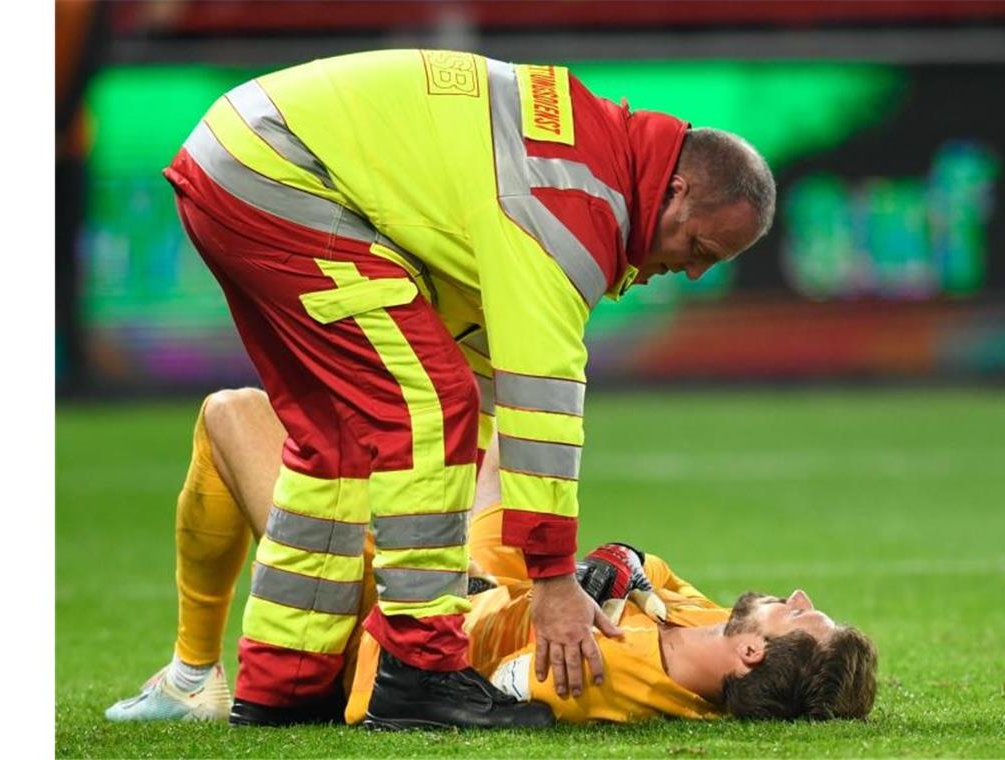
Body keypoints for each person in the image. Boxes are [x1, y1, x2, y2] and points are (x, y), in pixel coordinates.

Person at [165, 48, 776, 728]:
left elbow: (480, 344)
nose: (692, 273)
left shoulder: (587, 159)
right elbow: (539, 402)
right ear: (677, 191)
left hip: (250, 154)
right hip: (278, 172)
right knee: (430, 405)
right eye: (698, 249)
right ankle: (419, 674)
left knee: (333, 434)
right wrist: (549, 581)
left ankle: (285, 684)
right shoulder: (574, 209)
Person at [105, 389, 876, 725]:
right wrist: (611, 569)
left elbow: (471, 672)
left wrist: (588, 587)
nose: (800, 595)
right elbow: (637, 561)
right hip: (492, 580)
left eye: (800, 617)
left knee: (231, 415)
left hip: (402, 612)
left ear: (751, 654)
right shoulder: (710, 631)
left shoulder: (608, 681)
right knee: (512, 411)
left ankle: (192, 673)